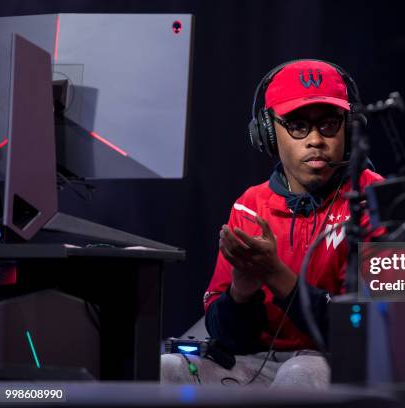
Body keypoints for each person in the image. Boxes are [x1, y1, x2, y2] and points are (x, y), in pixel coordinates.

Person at [161, 59, 383, 387]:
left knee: (301, 375)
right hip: (258, 365)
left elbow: (368, 332)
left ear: (349, 130)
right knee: (166, 367)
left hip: (337, 365)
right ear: (267, 132)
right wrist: (243, 288)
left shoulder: (374, 198)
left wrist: (275, 274)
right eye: (297, 126)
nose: (316, 140)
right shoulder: (249, 206)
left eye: (329, 124)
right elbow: (228, 337)